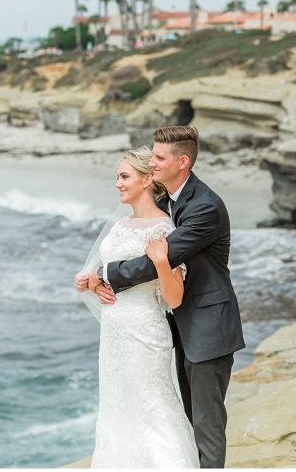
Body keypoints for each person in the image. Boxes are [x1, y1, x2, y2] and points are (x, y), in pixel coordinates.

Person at [87, 125, 245, 468]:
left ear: (182, 161)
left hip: (207, 324)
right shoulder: (166, 201)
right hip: (173, 324)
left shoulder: (205, 207)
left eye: (160, 157)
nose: (154, 162)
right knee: (186, 417)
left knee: (206, 424)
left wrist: (103, 275)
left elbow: (158, 260)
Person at [74, 147, 199, 468]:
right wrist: (90, 281)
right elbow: (107, 271)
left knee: (152, 407)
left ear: (147, 180)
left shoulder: (164, 230)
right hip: (114, 334)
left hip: (145, 332)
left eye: (125, 177)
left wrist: (160, 262)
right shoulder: (119, 226)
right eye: (117, 176)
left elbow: (174, 299)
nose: (118, 183)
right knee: (118, 409)